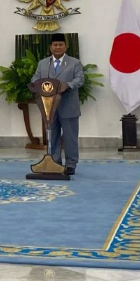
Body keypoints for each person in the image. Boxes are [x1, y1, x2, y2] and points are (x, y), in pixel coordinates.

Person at [30, 33, 84, 175]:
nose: (58, 47)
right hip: (49, 107)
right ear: (50, 47)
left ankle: (71, 164)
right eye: (55, 45)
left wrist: (68, 85)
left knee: (70, 137)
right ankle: (55, 161)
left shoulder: (74, 63)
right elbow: (35, 78)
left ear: (66, 47)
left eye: (61, 44)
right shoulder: (42, 63)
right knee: (52, 135)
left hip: (68, 106)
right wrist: (36, 85)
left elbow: (79, 79)